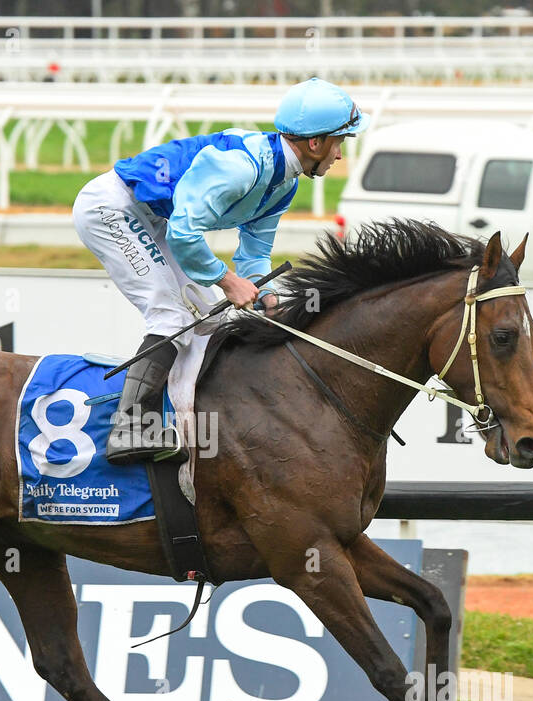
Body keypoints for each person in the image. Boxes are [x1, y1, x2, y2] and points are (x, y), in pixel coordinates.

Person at [72, 77, 370, 464]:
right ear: (315, 143)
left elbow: (253, 256)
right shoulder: (241, 167)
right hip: (112, 210)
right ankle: (128, 429)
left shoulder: (284, 183)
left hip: (153, 220)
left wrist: (267, 296)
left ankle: (184, 424)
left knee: (204, 320)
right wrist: (228, 282)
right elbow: (184, 233)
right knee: (170, 314)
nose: (340, 155)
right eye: (339, 142)